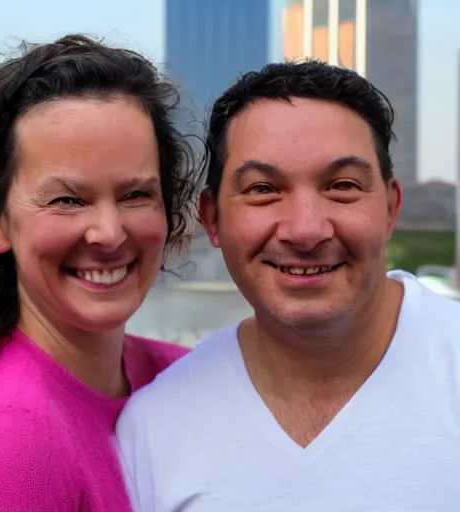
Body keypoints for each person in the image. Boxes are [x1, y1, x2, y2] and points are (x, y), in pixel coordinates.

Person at [117, 60, 460, 511]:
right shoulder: (153, 426)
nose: (305, 230)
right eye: (263, 190)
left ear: (391, 209)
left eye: (342, 186)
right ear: (213, 218)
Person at [0, 34, 195, 511]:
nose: (108, 232)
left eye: (135, 195)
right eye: (67, 200)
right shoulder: (11, 447)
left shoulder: (186, 378)